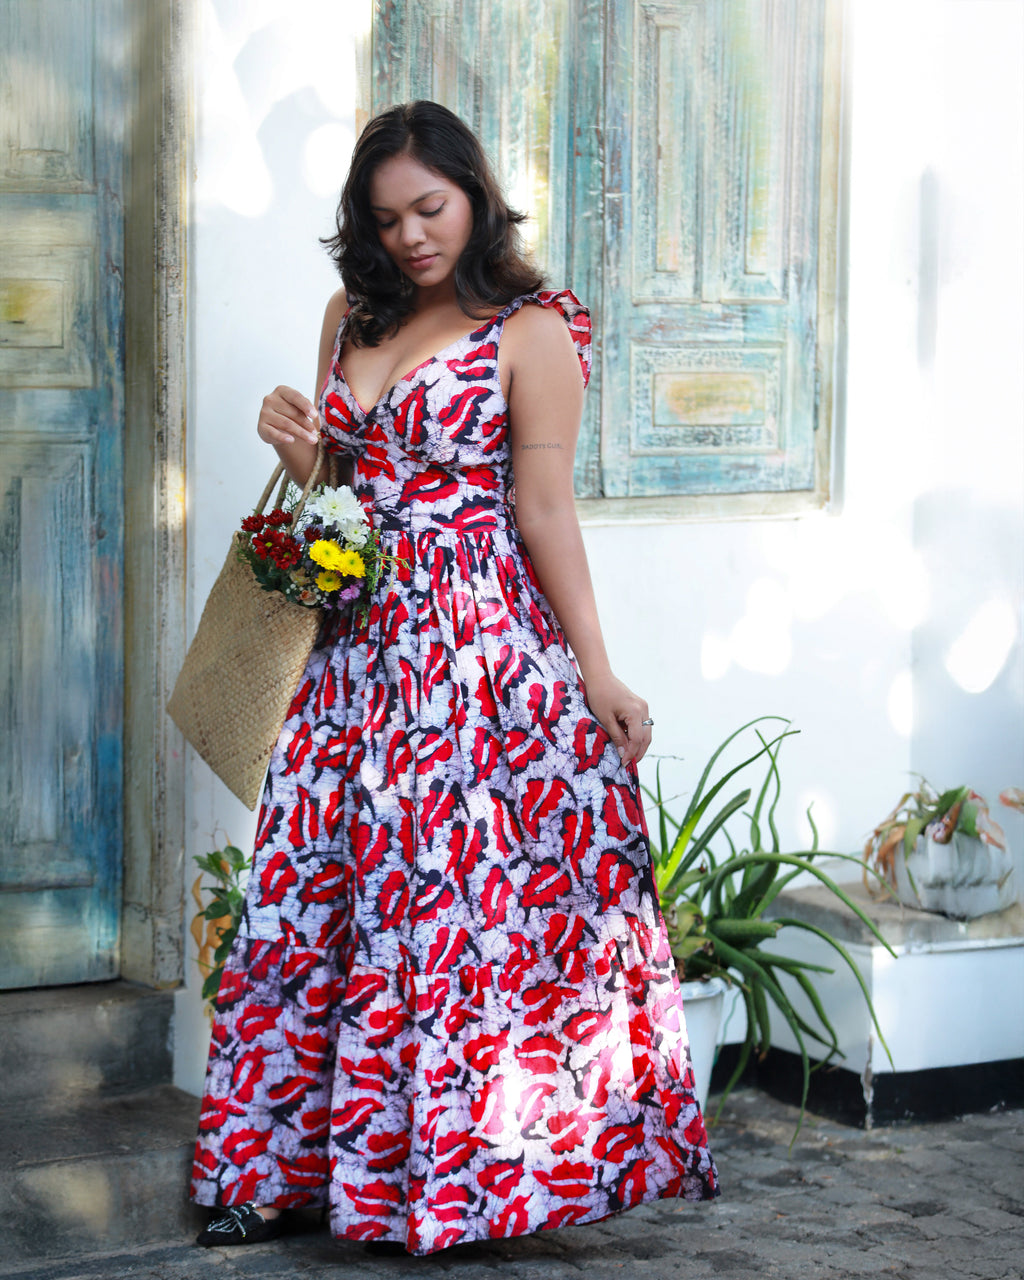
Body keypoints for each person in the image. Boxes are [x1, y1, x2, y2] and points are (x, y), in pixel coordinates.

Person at [192, 100, 718, 1257]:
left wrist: (599, 669)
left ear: (474, 194)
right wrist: (301, 452)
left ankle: (466, 1181)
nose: (411, 236)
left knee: (453, 911)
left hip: (474, 654)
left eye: (429, 207)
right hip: (349, 653)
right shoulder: (351, 311)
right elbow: (342, 481)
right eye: (386, 219)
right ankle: (278, 1170)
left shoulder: (531, 328)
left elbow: (542, 509)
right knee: (315, 896)